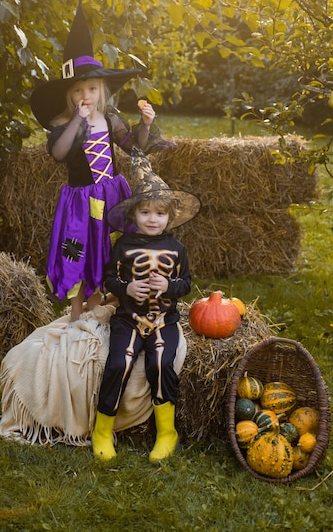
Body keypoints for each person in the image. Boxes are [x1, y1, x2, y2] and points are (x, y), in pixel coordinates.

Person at [30, 1, 172, 321]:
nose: (86, 95)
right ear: (69, 93)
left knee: (112, 248)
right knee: (83, 252)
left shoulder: (108, 116)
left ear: (101, 90)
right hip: (82, 200)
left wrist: (146, 124)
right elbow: (59, 153)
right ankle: (79, 314)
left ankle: (111, 302)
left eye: (92, 88)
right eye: (79, 89)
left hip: (112, 194)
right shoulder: (62, 122)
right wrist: (77, 123)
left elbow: (132, 145)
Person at [92, 148, 201, 462]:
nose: (153, 219)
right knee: (118, 363)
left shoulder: (176, 248)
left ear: (169, 216)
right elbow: (109, 280)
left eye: (160, 213)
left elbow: (186, 283)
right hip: (128, 317)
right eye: (145, 213)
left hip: (163, 319)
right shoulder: (123, 245)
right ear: (134, 214)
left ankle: (167, 432)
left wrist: (169, 286)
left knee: (161, 363)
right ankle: (102, 430)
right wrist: (128, 288)